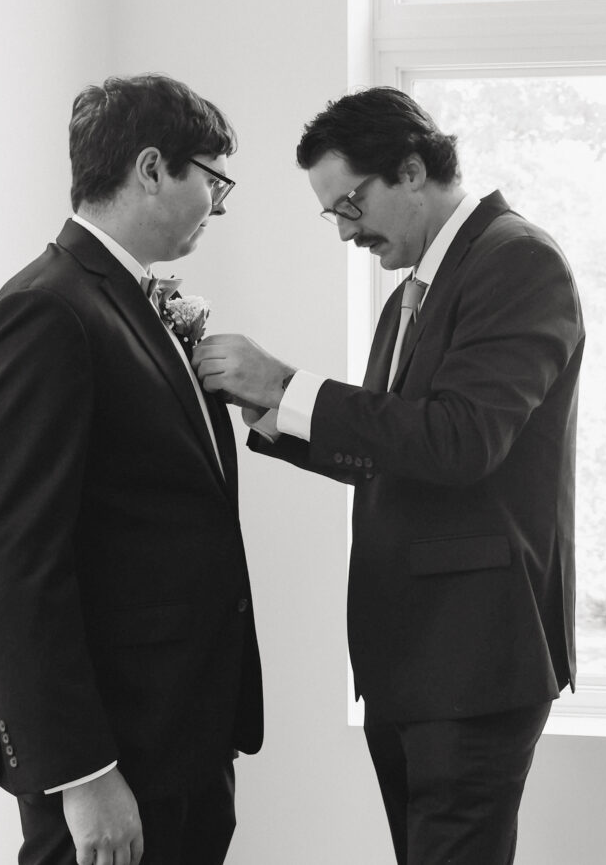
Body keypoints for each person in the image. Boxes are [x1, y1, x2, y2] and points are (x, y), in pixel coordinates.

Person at [192, 86, 583, 865]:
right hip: (412, 666)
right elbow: (388, 451)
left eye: (351, 202)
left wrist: (287, 384)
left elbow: (461, 440)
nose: (345, 230)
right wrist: (266, 412)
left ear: (411, 170)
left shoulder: (518, 262)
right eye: (332, 212)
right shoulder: (412, 292)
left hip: (473, 665)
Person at [0, 73, 262, 865]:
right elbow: (9, 562)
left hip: (180, 739)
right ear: (153, 168)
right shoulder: (46, 310)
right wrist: (83, 773)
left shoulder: (121, 298)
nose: (219, 204)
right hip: (112, 756)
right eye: (213, 179)